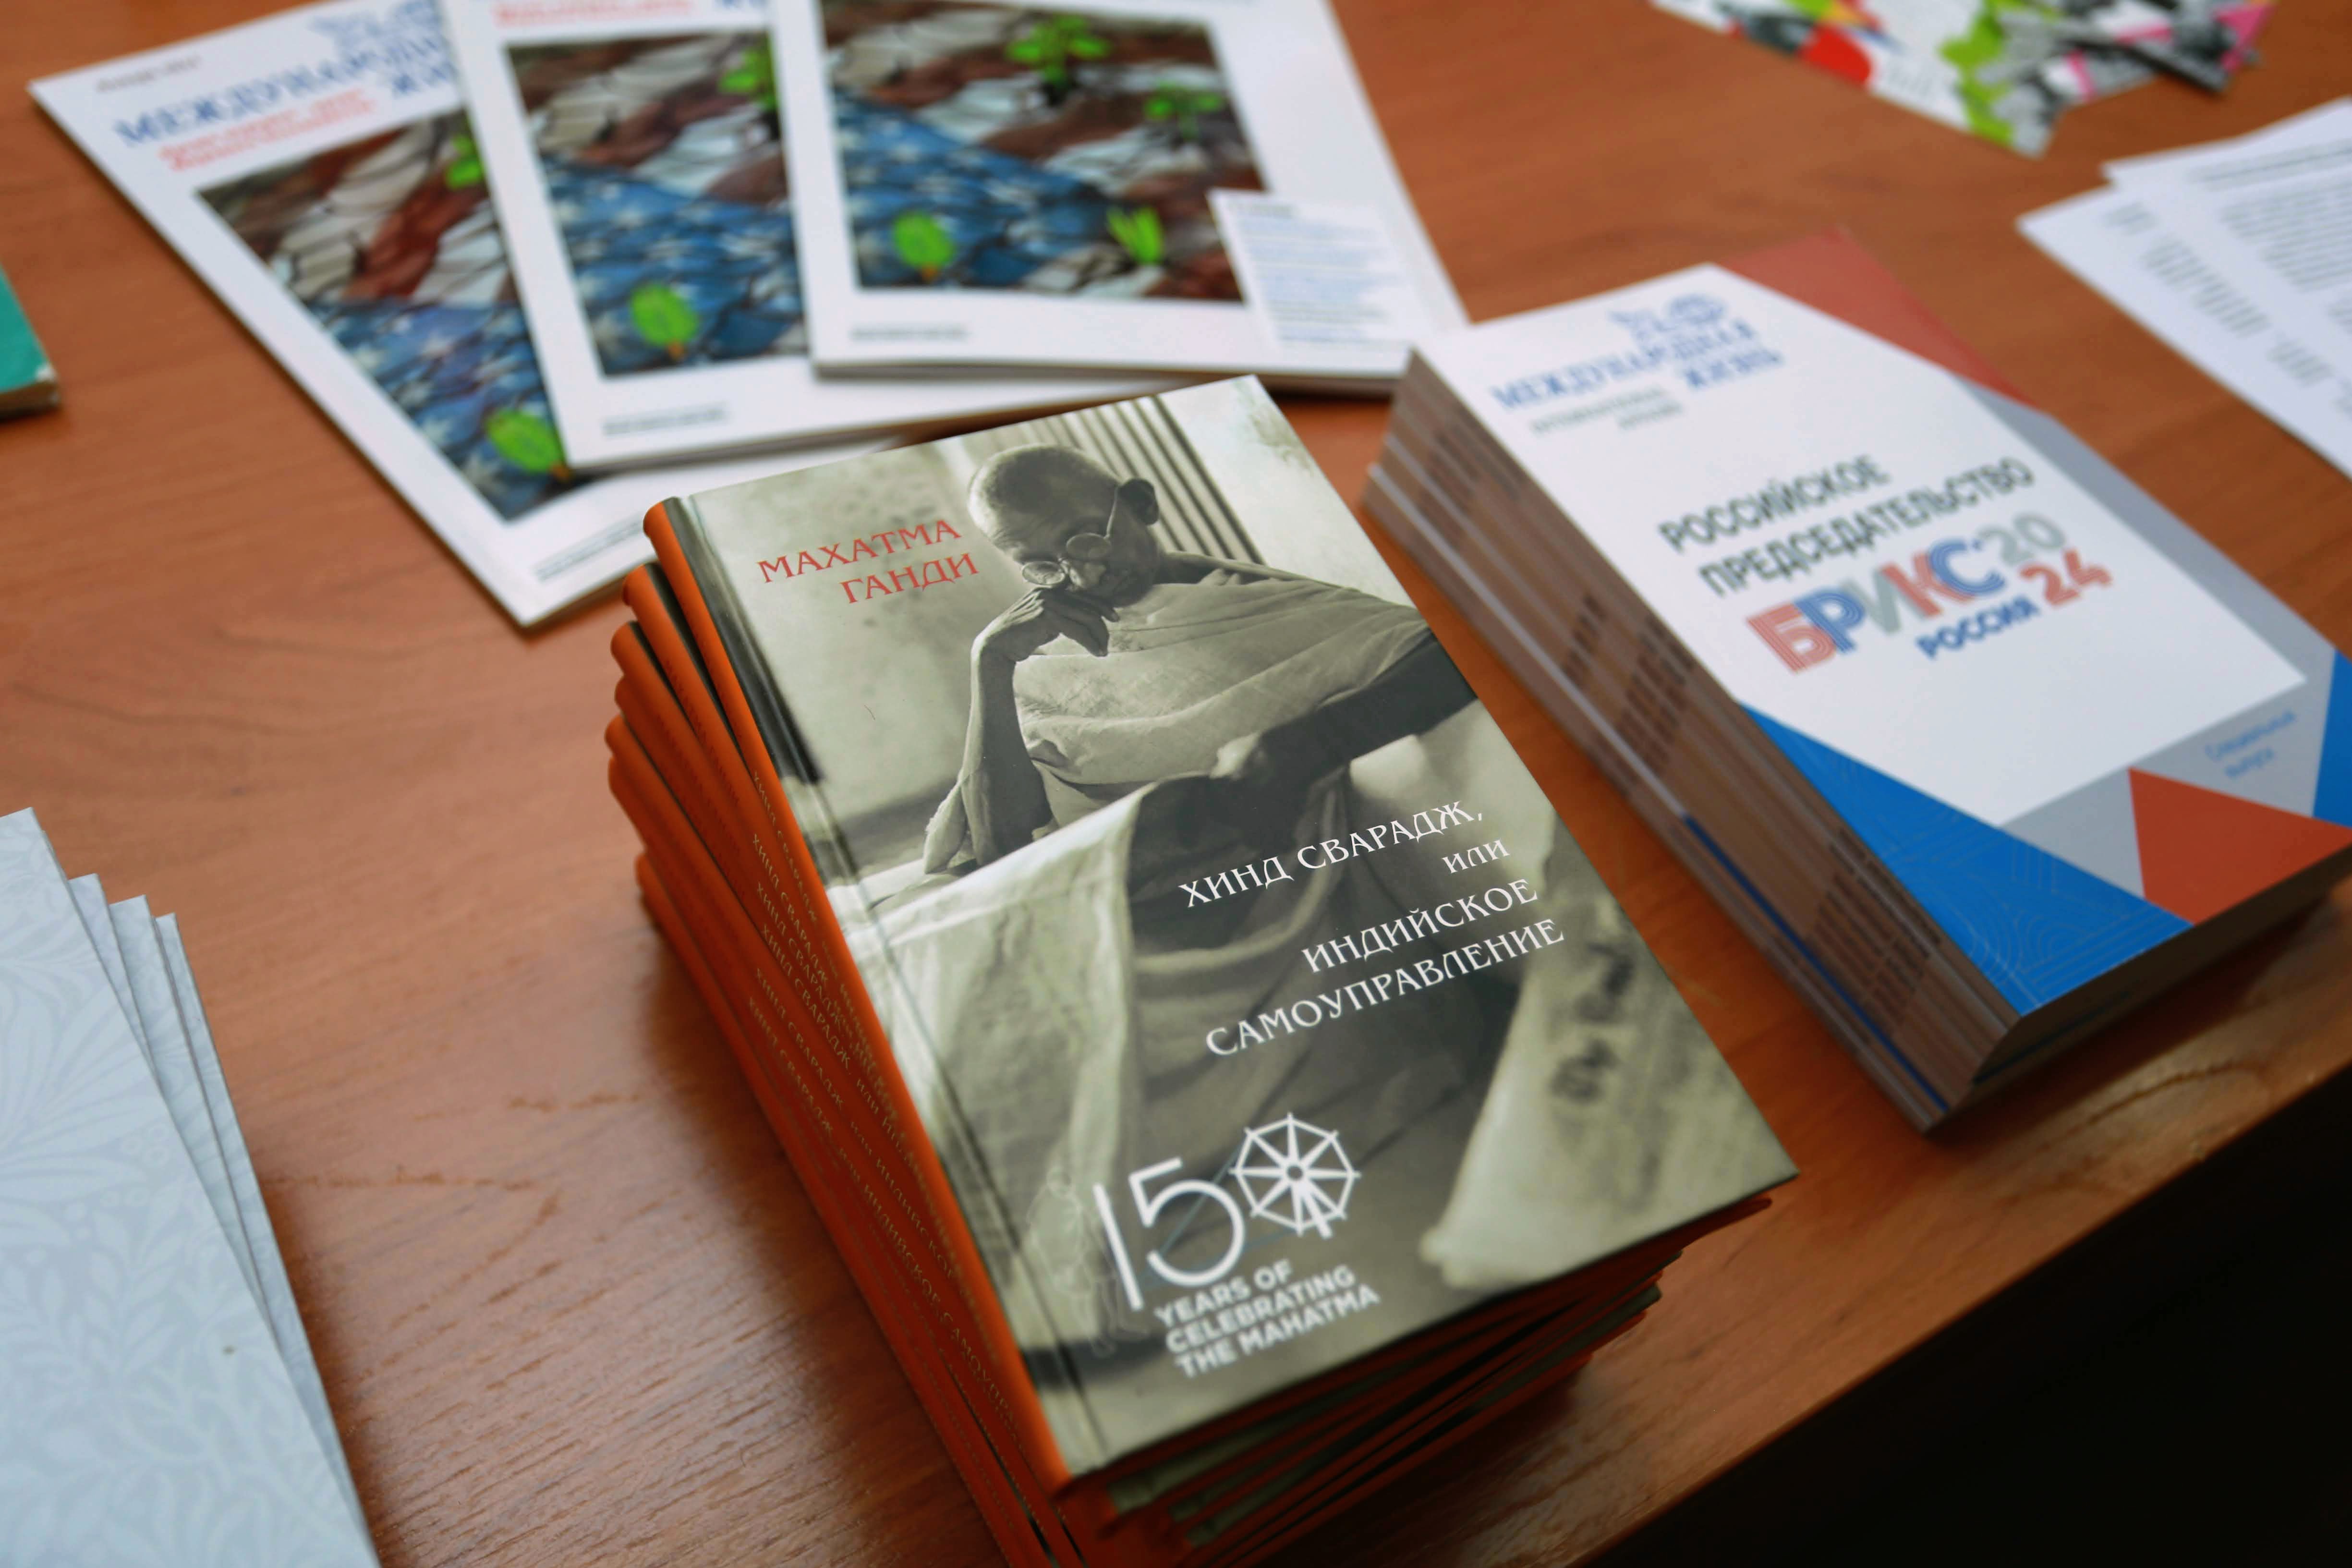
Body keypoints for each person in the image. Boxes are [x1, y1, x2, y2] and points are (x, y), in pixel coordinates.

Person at [923, 443, 1476, 877]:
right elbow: (1001, 850)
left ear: (1141, 504)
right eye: (1042, 566)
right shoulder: (1042, 662)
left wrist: (1305, 744)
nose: (1082, 576)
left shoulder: (1263, 604)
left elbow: (1452, 654)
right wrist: (988, 661)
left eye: (1085, 539)